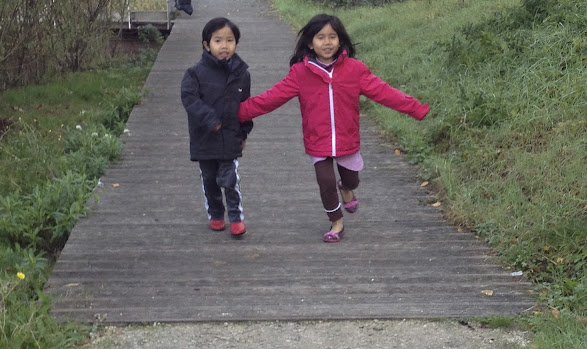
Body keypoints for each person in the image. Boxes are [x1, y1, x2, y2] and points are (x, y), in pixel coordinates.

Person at [238, 14, 429, 243]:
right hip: (317, 139)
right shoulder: (300, 73)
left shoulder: (355, 70)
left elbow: (385, 93)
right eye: (320, 37)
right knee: (325, 181)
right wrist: (238, 113)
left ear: (340, 40)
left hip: (347, 139)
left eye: (332, 37)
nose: (327, 42)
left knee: (351, 180)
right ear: (310, 43)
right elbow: (271, 98)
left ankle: (346, 188)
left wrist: (416, 109)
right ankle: (336, 223)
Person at [181, 17, 253, 238]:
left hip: (230, 137)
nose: (224, 46)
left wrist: (244, 132)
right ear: (206, 45)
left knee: (230, 180)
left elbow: (245, 106)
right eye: (218, 41)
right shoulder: (195, 73)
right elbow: (190, 99)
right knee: (210, 179)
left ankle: (236, 218)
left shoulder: (241, 74)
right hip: (204, 138)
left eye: (230, 40)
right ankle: (216, 215)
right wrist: (210, 120)